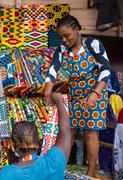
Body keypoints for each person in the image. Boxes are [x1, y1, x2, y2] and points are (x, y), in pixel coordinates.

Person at [44, 15, 111, 177]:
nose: (64, 40)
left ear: (77, 30)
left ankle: (91, 172)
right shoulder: (61, 50)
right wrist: (47, 92)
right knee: (68, 130)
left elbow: (106, 69)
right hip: (75, 94)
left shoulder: (93, 44)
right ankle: (61, 166)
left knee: (90, 132)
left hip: (96, 92)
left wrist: (95, 93)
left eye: (67, 35)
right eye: (61, 37)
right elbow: (53, 70)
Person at [0, 93, 71, 180]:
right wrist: (59, 102)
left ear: (13, 146)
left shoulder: (7, 174)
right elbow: (65, 130)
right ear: (38, 141)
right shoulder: (54, 161)